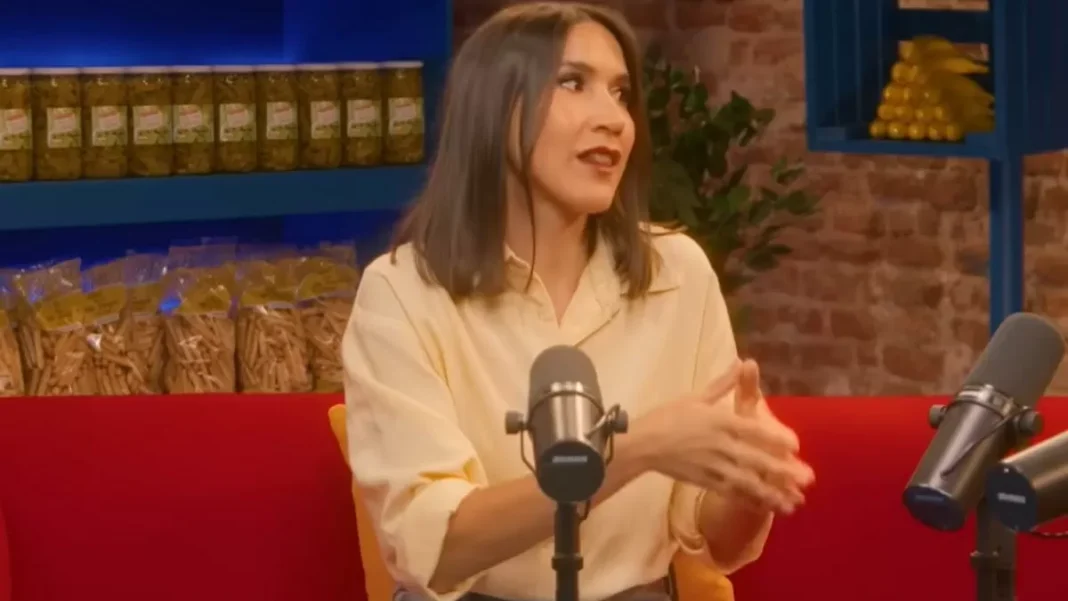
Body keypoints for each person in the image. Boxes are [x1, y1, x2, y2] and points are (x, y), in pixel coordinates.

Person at [342, 3, 816, 601]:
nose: (614, 119)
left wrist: (748, 483)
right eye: (573, 83)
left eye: (621, 94)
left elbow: (716, 540)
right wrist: (637, 449)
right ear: (495, 108)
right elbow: (437, 549)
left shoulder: (679, 273)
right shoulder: (402, 291)